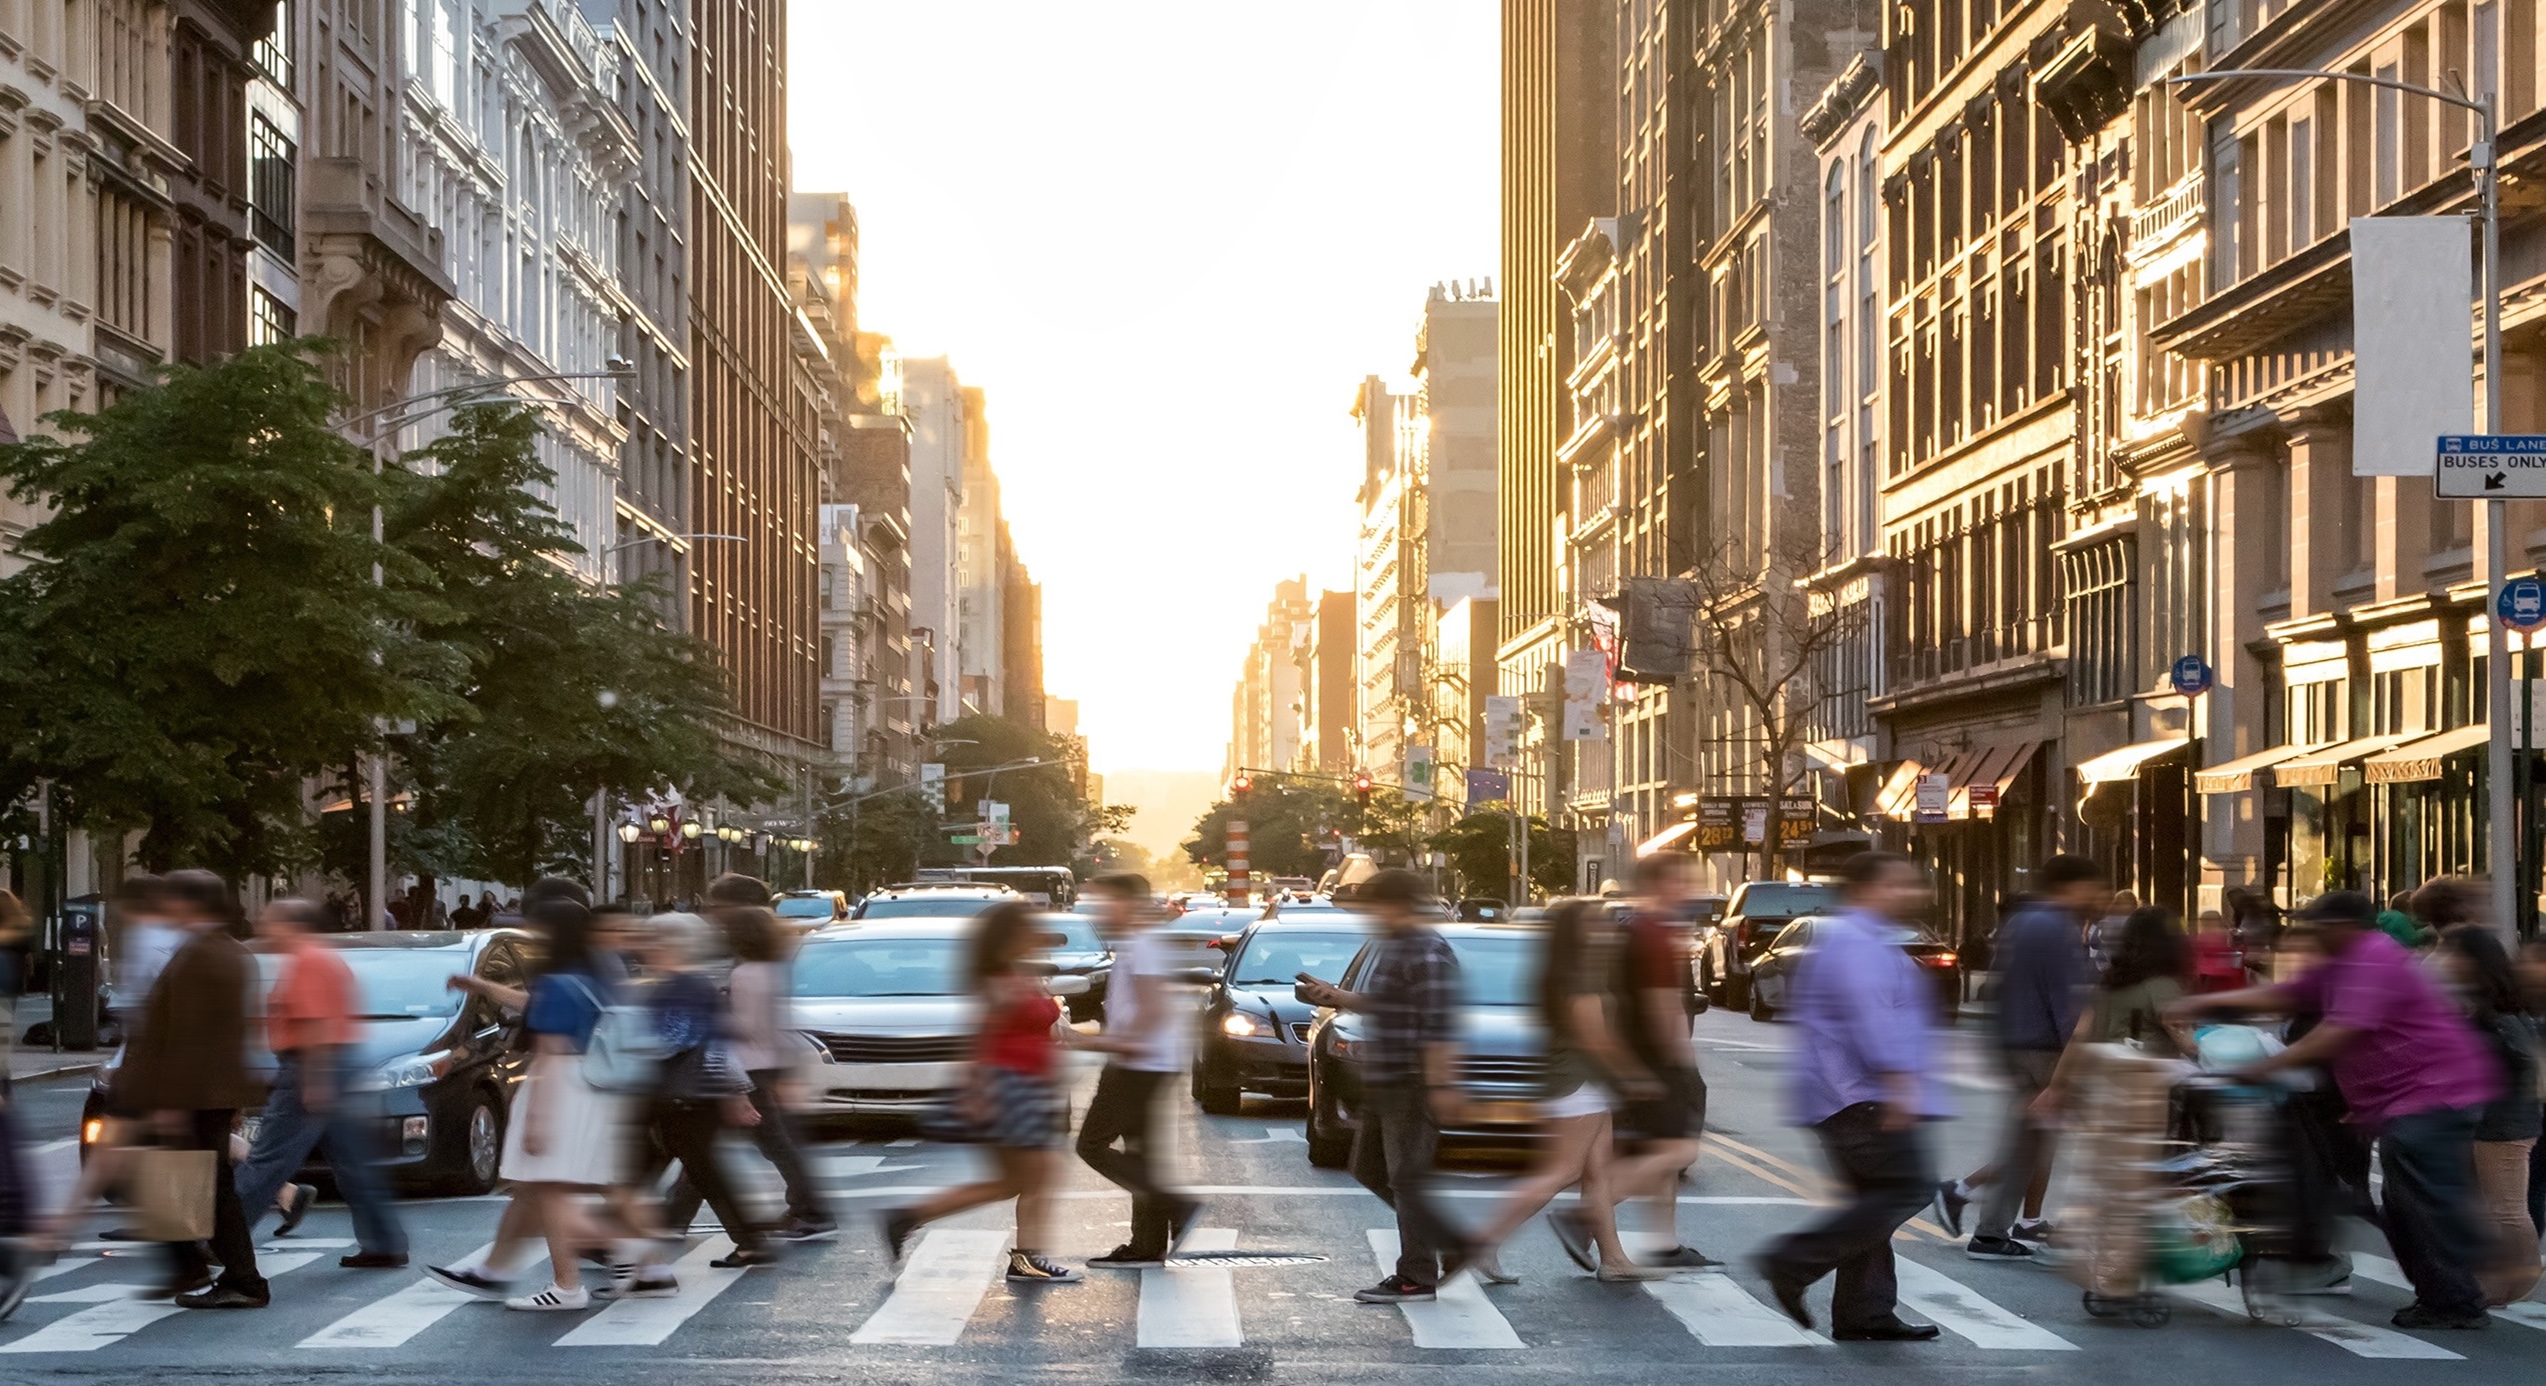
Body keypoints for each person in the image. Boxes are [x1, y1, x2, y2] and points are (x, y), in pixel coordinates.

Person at [2172, 889, 2501, 1330]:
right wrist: (2204, 1004)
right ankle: (2447, 1295)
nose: (2310, 935)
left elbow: (2336, 1032)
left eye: (2318, 928)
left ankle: (2458, 1298)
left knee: (2418, 1199)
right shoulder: (2342, 964)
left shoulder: (2371, 958)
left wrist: (2267, 1068)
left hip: (2434, 1094)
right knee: (2404, 1203)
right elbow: (2286, 995)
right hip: (2411, 1097)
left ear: (2343, 929)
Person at [1757, 851, 1946, 1342]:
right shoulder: (1858, 944)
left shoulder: (1861, 940)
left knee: (1873, 1201)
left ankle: (1865, 1311)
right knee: (1908, 1189)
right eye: (1897, 885)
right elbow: (1874, 1021)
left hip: (1847, 1095)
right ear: (1864, 889)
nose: (1910, 894)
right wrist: (1901, 1084)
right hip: (1860, 1097)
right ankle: (1795, 1263)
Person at [426, 877, 630, 1311]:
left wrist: (537, 1117)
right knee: (534, 1187)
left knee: (548, 1188)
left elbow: (552, 1052)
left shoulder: (560, 982)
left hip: (562, 1088)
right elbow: (533, 1002)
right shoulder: (590, 976)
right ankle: (496, 1272)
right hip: (592, 1087)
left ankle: (580, 1280)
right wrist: (481, 987)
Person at [1295, 868, 1475, 1305]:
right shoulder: (1395, 946)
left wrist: (1441, 1085)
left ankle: (1415, 1276)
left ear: (1395, 905)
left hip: (1413, 1081)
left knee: (1407, 1179)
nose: (1367, 916)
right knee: (1369, 1168)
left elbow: (1439, 1023)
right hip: (1388, 1077)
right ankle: (1450, 1242)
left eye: (1373, 906)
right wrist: (1336, 995)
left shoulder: (1427, 950)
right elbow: (1392, 1004)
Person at [878, 901, 1082, 1283]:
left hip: (1030, 1085)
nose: (1034, 933)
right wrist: (979, 1089)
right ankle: (1027, 1260)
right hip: (1012, 1086)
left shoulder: (1020, 971)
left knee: (1011, 1182)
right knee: (1040, 1175)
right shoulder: (996, 978)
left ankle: (907, 1217)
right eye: (1027, 927)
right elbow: (983, 1037)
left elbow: (1048, 1027)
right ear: (1010, 934)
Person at [1465, 899, 1662, 1284]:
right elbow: (1596, 1039)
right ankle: (1481, 1242)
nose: (1606, 929)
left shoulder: (1567, 971)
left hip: (1580, 1081)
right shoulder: (1578, 978)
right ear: (1577, 932)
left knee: (1598, 1173)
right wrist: (1635, 1075)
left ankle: (1614, 1258)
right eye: (1596, 924)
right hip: (1578, 1082)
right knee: (1563, 1171)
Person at [1933, 854, 2100, 1260]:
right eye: (2090, 886)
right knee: (2056, 1139)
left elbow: (2002, 987)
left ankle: (1988, 1226)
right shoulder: (2059, 928)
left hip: (2016, 1045)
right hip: (2047, 1050)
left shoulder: (2022, 922)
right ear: (2069, 886)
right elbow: (2067, 1004)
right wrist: (2072, 1065)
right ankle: (1966, 1198)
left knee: (2032, 1142)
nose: (2096, 895)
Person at [231, 898, 410, 1269]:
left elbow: (315, 1024)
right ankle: (384, 1242)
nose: (263, 923)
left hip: (312, 1067)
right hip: (333, 1066)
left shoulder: (307, 961)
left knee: (267, 1161)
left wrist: (315, 1079)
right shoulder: (321, 958)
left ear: (294, 925)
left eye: (272, 918)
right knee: (354, 1164)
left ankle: (220, 1240)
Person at [116, 870, 266, 1308]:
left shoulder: (202, 955)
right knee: (180, 1179)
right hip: (207, 1090)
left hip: (192, 1093)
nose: (165, 907)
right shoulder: (231, 952)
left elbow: (190, 1036)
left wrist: (171, 1104)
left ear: (189, 903)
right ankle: (187, 1264)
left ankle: (242, 1279)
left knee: (210, 1187)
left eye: (171, 899)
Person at [682, 895, 834, 1242]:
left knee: (755, 1144)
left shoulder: (746, 974)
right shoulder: (771, 969)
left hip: (746, 1067)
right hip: (765, 1063)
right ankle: (674, 1214)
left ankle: (812, 1210)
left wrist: (714, 1015)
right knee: (707, 1144)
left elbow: (746, 1025)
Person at [1075, 872, 1204, 1269]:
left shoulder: (1143, 944)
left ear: (1129, 902)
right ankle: (1146, 1244)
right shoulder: (1137, 943)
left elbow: (1153, 1006)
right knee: (1142, 1155)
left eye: (1105, 901)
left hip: (1137, 1063)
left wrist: (1114, 1042)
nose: (1099, 910)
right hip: (1143, 1061)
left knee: (1091, 1145)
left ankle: (1176, 1204)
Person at [631, 913, 771, 1279]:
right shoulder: (690, 984)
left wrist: (627, 1044)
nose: (643, 948)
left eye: (651, 941)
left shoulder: (681, 987)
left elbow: (677, 1040)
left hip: (682, 1096)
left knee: (698, 1172)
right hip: (687, 1094)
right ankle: (752, 1238)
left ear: (670, 946)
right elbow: (718, 1042)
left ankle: (752, 1238)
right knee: (654, 1170)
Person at [1608, 853, 1713, 1267]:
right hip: (1657, 1061)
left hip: (1643, 1059)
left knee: (1665, 1151)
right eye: (1677, 882)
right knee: (1676, 1150)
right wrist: (1678, 1062)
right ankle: (1584, 1216)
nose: (1686, 889)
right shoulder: (1651, 934)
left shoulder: (1643, 929)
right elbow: (1658, 1006)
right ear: (1654, 885)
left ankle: (1664, 1243)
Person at [2434, 925, 2541, 1306]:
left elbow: (2523, 1058)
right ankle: (2497, 1280)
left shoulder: (2495, 1011)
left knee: (2506, 1208)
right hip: (2494, 1119)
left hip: (2504, 1122)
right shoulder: (2487, 1002)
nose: (2443, 959)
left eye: (2451, 952)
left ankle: (2517, 1280)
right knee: (2492, 1206)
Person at [2032, 906, 2187, 1125]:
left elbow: (2079, 1035)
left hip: (2107, 1084)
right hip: (2148, 1089)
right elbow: (2183, 1036)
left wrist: (2056, 1086)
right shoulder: (2164, 984)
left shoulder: (2110, 981)